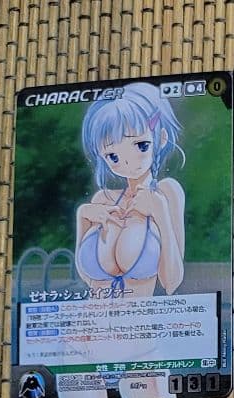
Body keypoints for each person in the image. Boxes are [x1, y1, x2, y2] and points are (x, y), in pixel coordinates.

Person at [76, 82, 185, 297]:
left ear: (161, 139)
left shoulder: (166, 192)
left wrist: (161, 213)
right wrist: (82, 217)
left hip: (138, 316)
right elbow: (87, 277)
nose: (127, 162)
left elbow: (171, 283)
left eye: (141, 145)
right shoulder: (102, 199)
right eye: (113, 156)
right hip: (90, 315)